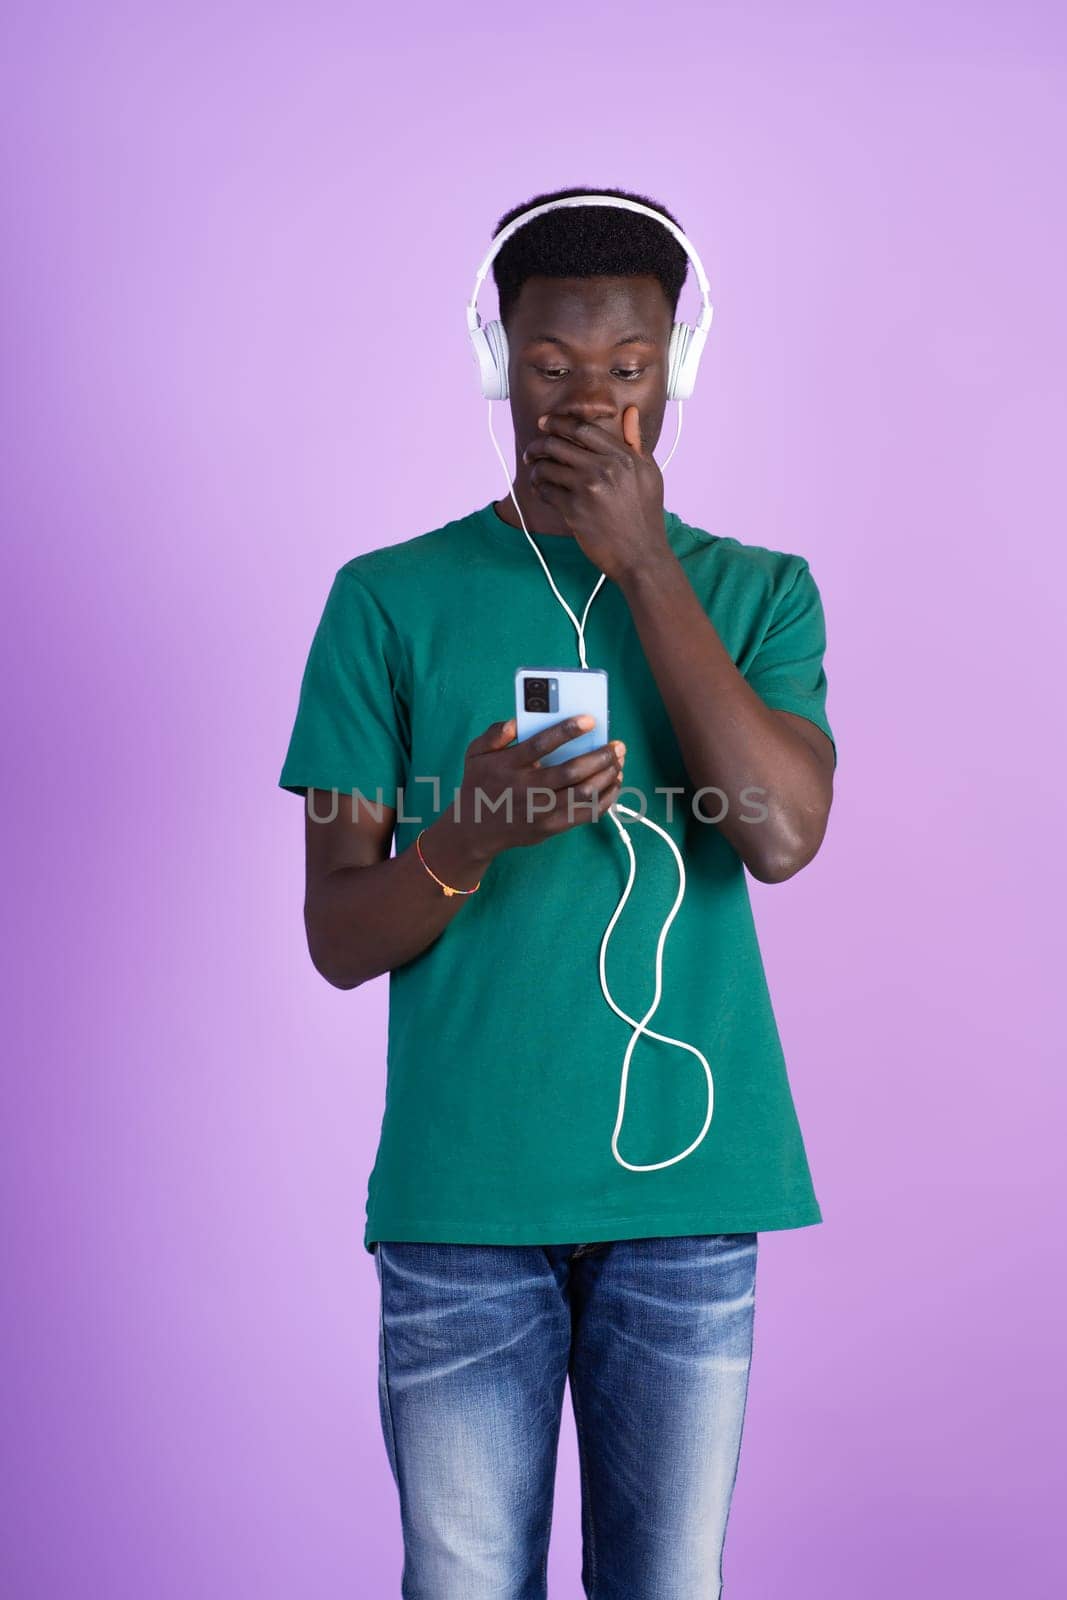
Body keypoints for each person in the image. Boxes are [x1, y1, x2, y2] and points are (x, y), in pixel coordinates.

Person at [278, 185, 837, 1600]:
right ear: (494, 362)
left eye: (631, 367)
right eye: (548, 363)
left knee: (669, 1586)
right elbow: (340, 935)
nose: (589, 400)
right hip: (463, 1209)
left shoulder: (762, 594)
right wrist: (465, 835)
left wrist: (643, 565)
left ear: (678, 370)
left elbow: (775, 834)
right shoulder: (385, 602)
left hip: (690, 1202)